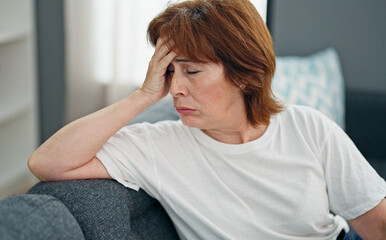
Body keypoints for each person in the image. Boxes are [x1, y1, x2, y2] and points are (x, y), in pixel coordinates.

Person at [28, 0, 386, 239]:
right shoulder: (157, 145)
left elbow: (376, 225)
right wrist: (144, 95)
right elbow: (45, 162)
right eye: (169, 72)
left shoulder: (308, 127)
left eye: (193, 71)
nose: (176, 88)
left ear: (245, 74)